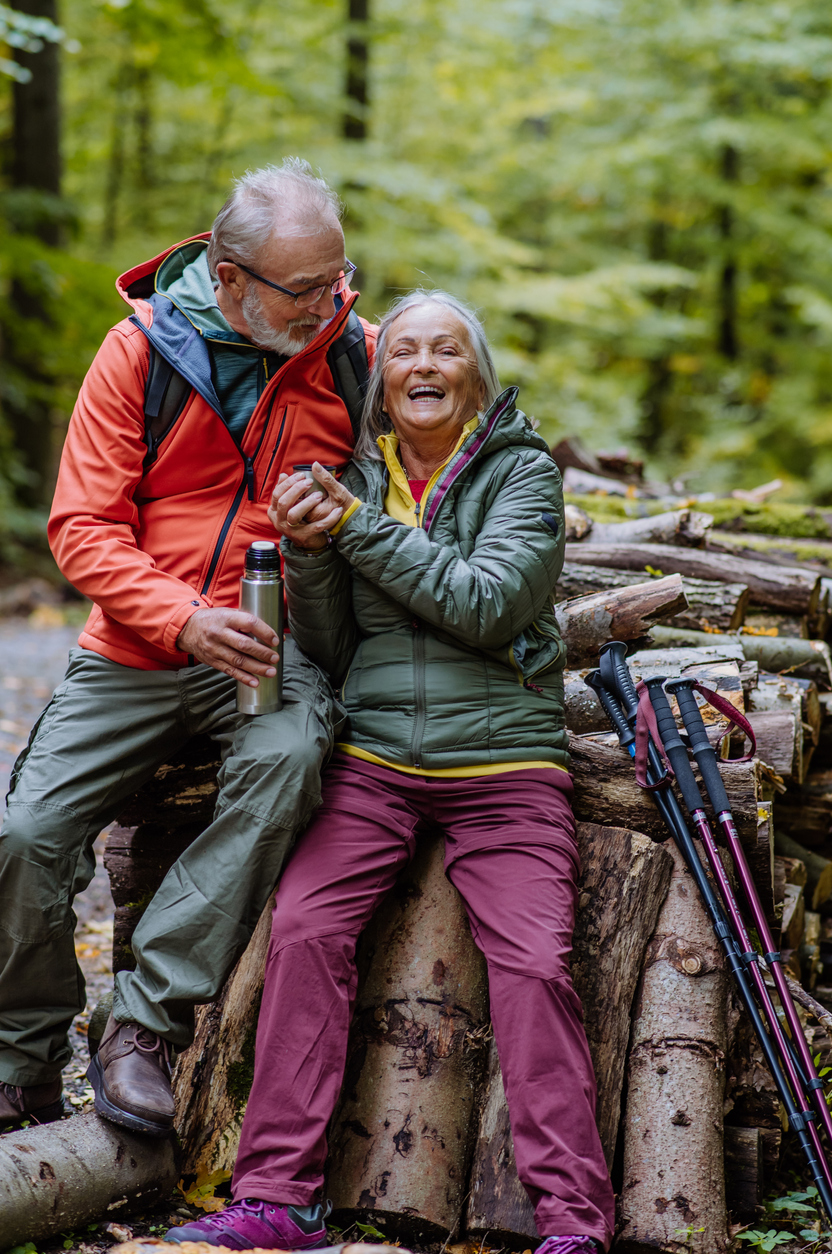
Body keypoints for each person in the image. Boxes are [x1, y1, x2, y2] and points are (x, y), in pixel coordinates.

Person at [166, 291, 615, 1253]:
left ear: (475, 376)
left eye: (445, 351)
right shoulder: (355, 479)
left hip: (506, 765)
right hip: (374, 762)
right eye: (403, 349)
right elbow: (327, 645)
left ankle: (576, 1222)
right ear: (379, 381)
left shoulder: (522, 473)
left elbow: (491, 604)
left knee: (535, 964)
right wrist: (312, 551)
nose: (422, 365)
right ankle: (279, 1201)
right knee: (304, 926)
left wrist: (357, 534)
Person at [0, 157, 375, 1174]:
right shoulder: (138, 355)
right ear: (226, 271)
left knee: (292, 756)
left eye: (339, 279)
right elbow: (80, 528)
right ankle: (21, 1058)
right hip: (137, 640)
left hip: (272, 643)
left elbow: (420, 479)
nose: (327, 304)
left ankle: (144, 1019)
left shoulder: (356, 357)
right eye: (302, 288)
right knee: (25, 833)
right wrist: (180, 620)